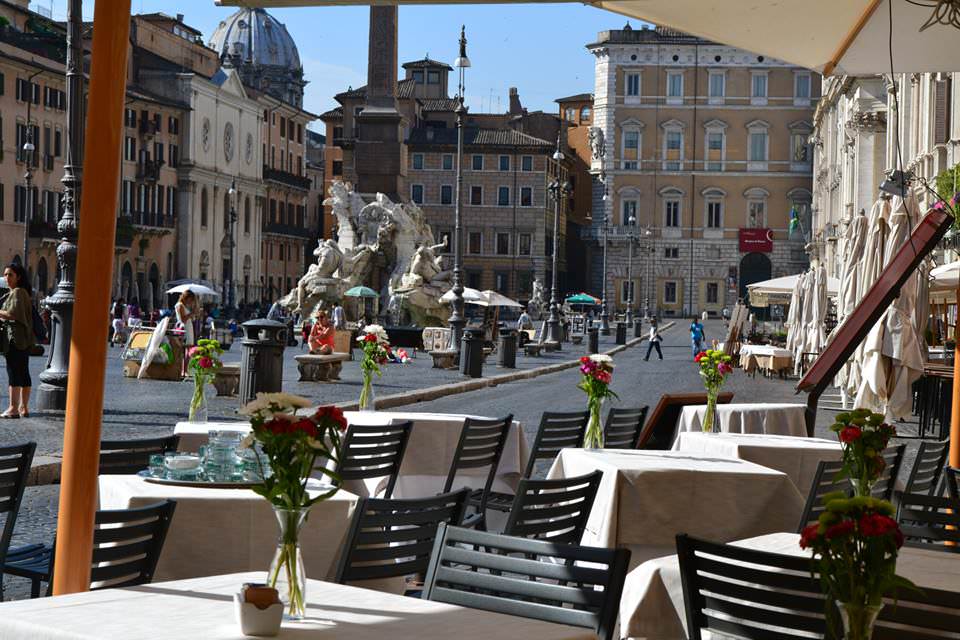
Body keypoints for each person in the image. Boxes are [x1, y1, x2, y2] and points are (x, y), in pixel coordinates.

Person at [0, 264, 35, 418]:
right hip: (23, 339)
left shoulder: (18, 292)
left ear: (18, 277)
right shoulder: (22, 293)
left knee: (13, 371)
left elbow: (12, 314)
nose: (7, 278)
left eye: (10, 275)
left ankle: (13, 408)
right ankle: (23, 407)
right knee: (23, 371)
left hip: (15, 339)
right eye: (5, 275)